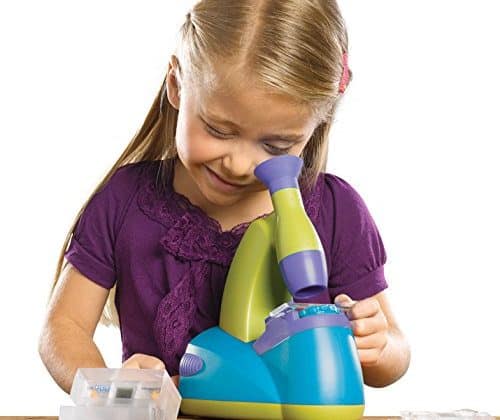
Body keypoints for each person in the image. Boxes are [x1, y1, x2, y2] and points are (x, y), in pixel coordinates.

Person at [39, 0, 410, 394]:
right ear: (176, 85)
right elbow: (63, 327)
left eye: (276, 145)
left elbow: (394, 356)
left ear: (314, 126)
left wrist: (376, 343)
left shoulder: (337, 213)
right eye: (218, 130)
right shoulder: (124, 200)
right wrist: (111, 392)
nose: (239, 164)